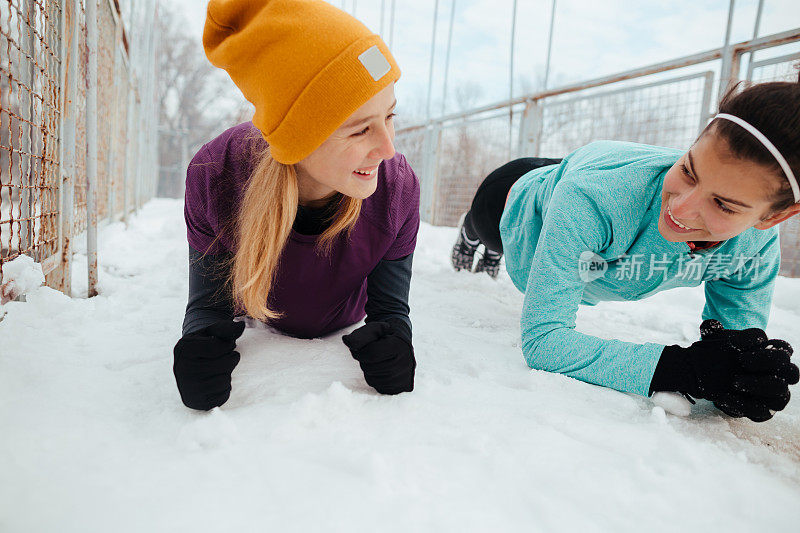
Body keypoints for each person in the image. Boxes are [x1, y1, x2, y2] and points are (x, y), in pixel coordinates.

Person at [451, 77, 800, 422]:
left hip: (592, 177)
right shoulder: (594, 197)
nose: (678, 210)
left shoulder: (754, 248)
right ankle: (471, 235)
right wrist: (674, 367)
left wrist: (741, 376)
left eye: (724, 205)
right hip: (512, 197)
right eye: (689, 170)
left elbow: (728, 356)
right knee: (487, 232)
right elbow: (543, 340)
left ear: (775, 216)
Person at [173, 0, 421, 411]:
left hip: (345, 315)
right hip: (259, 312)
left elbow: (390, 307)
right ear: (297, 136)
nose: (388, 148)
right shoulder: (216, 175)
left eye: (390, 116)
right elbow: (209, 306)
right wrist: (199, 345)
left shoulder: (397, 188)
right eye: (361, 129)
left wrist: (395, 339)